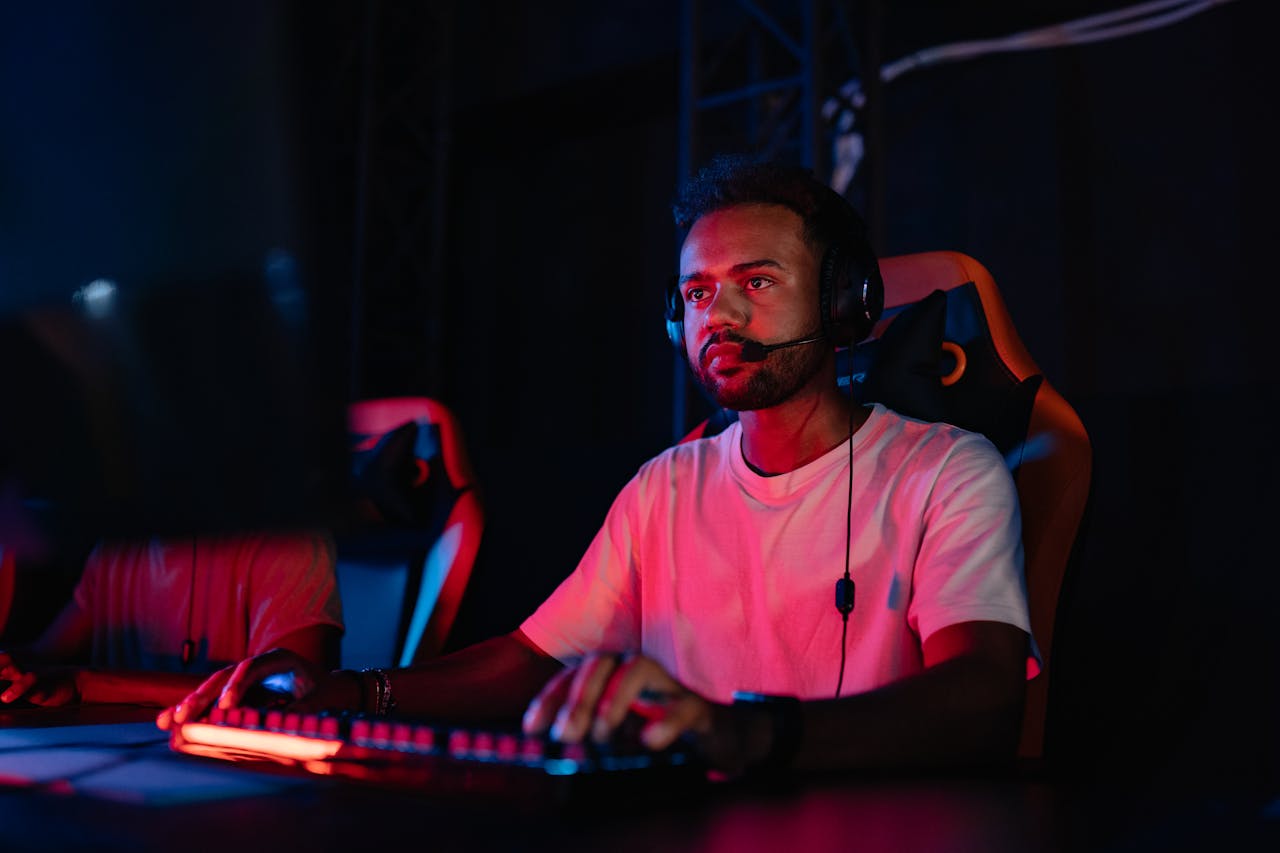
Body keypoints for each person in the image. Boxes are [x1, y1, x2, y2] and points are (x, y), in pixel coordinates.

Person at [160, 155, 1034, 776]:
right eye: (696, 292)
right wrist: (353, 693)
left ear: (847, 301)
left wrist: (743, 737)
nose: (717, 313)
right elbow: (534, 658)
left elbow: (984, 696)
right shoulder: (667, 487)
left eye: (757, 281)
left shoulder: (945, 473)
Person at [1, 529, 343, 708]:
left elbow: (296, 693)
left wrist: (85, 684)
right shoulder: (119, 543)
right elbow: (44, 658)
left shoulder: (288, 540)